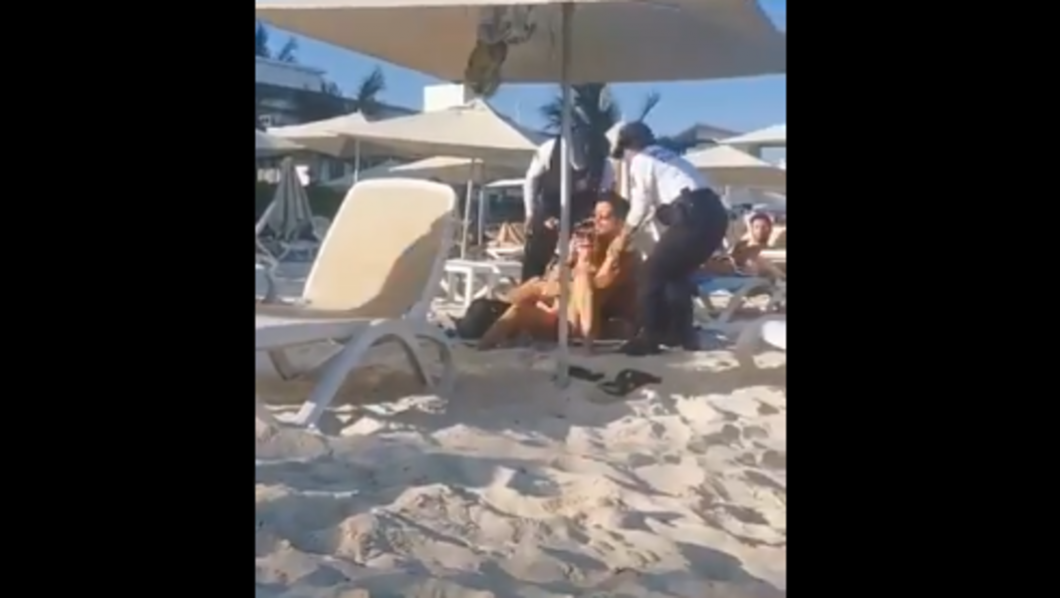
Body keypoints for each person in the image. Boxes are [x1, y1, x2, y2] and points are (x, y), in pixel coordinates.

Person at [610, 121, 729, 355]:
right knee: (674, 274)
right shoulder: (670, 158)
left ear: (629, 147)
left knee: (649, 274)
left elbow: (641, 205)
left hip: (692, 216)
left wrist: (622, 236)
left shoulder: (642, 160)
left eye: (623, 155)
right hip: (714, 215)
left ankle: (649, 338)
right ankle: (682, 334)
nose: (625, 160)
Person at [478, 194, 639, 351]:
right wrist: (569, 260)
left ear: (620, 223)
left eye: (604, 217)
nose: (596, 222)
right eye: (595, 216)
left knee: (567, 280)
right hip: (563, 317)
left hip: (596, 324)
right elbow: (555, 280)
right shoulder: (590, 247)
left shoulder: (625, 256)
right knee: (518, 309)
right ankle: (481, 347)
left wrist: (587, 263)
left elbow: (598, 289)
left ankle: (585, 345)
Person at [521, 128, 615, 282]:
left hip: (583, 215)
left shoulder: (604, 161)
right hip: (549, 210)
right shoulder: (549, 148)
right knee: (535, 260)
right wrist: (530, 212)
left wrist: (598, 221)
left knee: (581, 262)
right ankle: (529, 286)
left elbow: (605, 194)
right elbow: (531, 180)